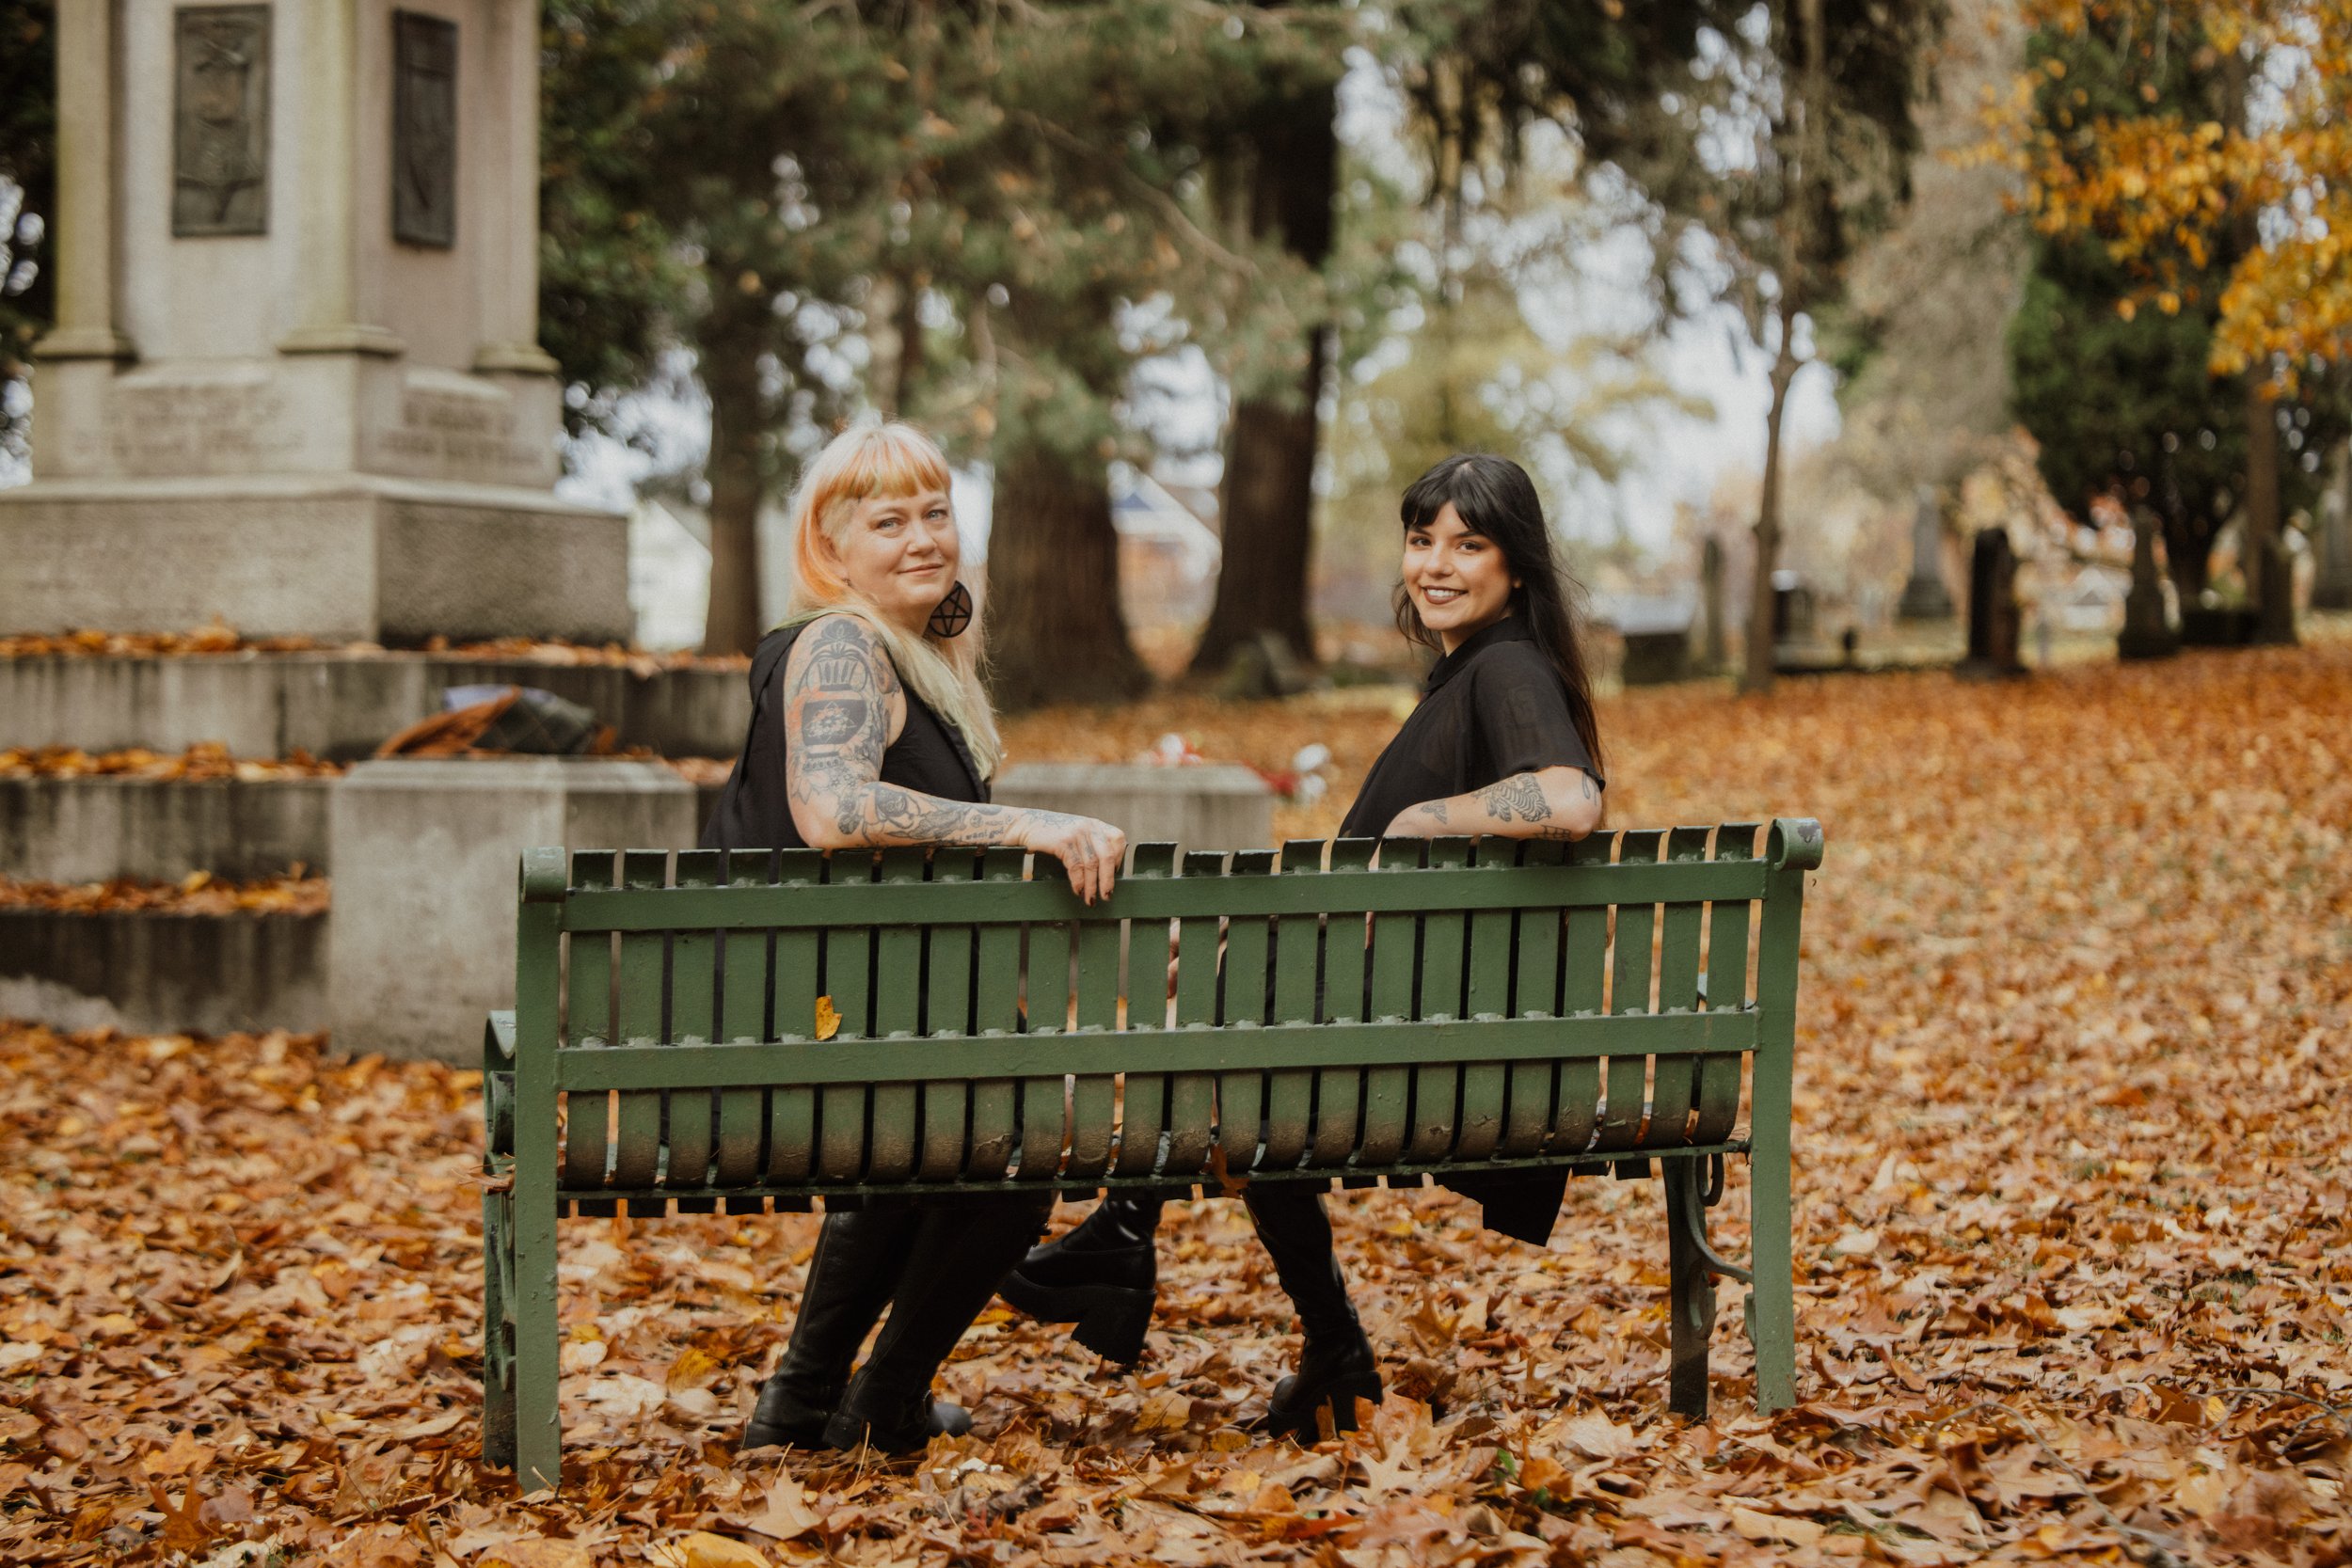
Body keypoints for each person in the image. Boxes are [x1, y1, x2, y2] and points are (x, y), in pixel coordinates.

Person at [999, 452, 1608, 1440]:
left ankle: (1126, 1230)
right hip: (1428, 1042)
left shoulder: (1505, 667)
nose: (1437, 563)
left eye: (1469, 543)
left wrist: (1423, 820)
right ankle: (1317, 1341)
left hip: (1432, 1062)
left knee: (1238, 1045)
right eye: (1422, 540)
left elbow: (1572, 797)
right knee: (1241, 1041)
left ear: (1518, 568)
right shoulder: (1474, 673)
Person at [706, 420, 1127, 1453]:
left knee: (951, 1130)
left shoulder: (913, 657)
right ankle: (879, 1392)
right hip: (814, 1021)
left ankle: (806, 1401)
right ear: (832, 547)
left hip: (861, 1014)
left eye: (935, 512)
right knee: (1014, 1147)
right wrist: (1028, 825)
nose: (922, 537)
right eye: (886, 521)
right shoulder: (841, 642)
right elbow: (835, 810)